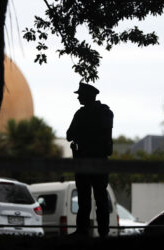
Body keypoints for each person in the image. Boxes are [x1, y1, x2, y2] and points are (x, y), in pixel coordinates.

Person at [66, 82, 114, 238]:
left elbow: (69, 135)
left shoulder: (81, 114)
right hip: (98, 161)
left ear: (87, 96)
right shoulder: (105, 112)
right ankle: (102, 232)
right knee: (99, 198)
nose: (78, 97)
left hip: (85, 162)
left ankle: (83, 231)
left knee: (86, 198)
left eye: (81, 95)